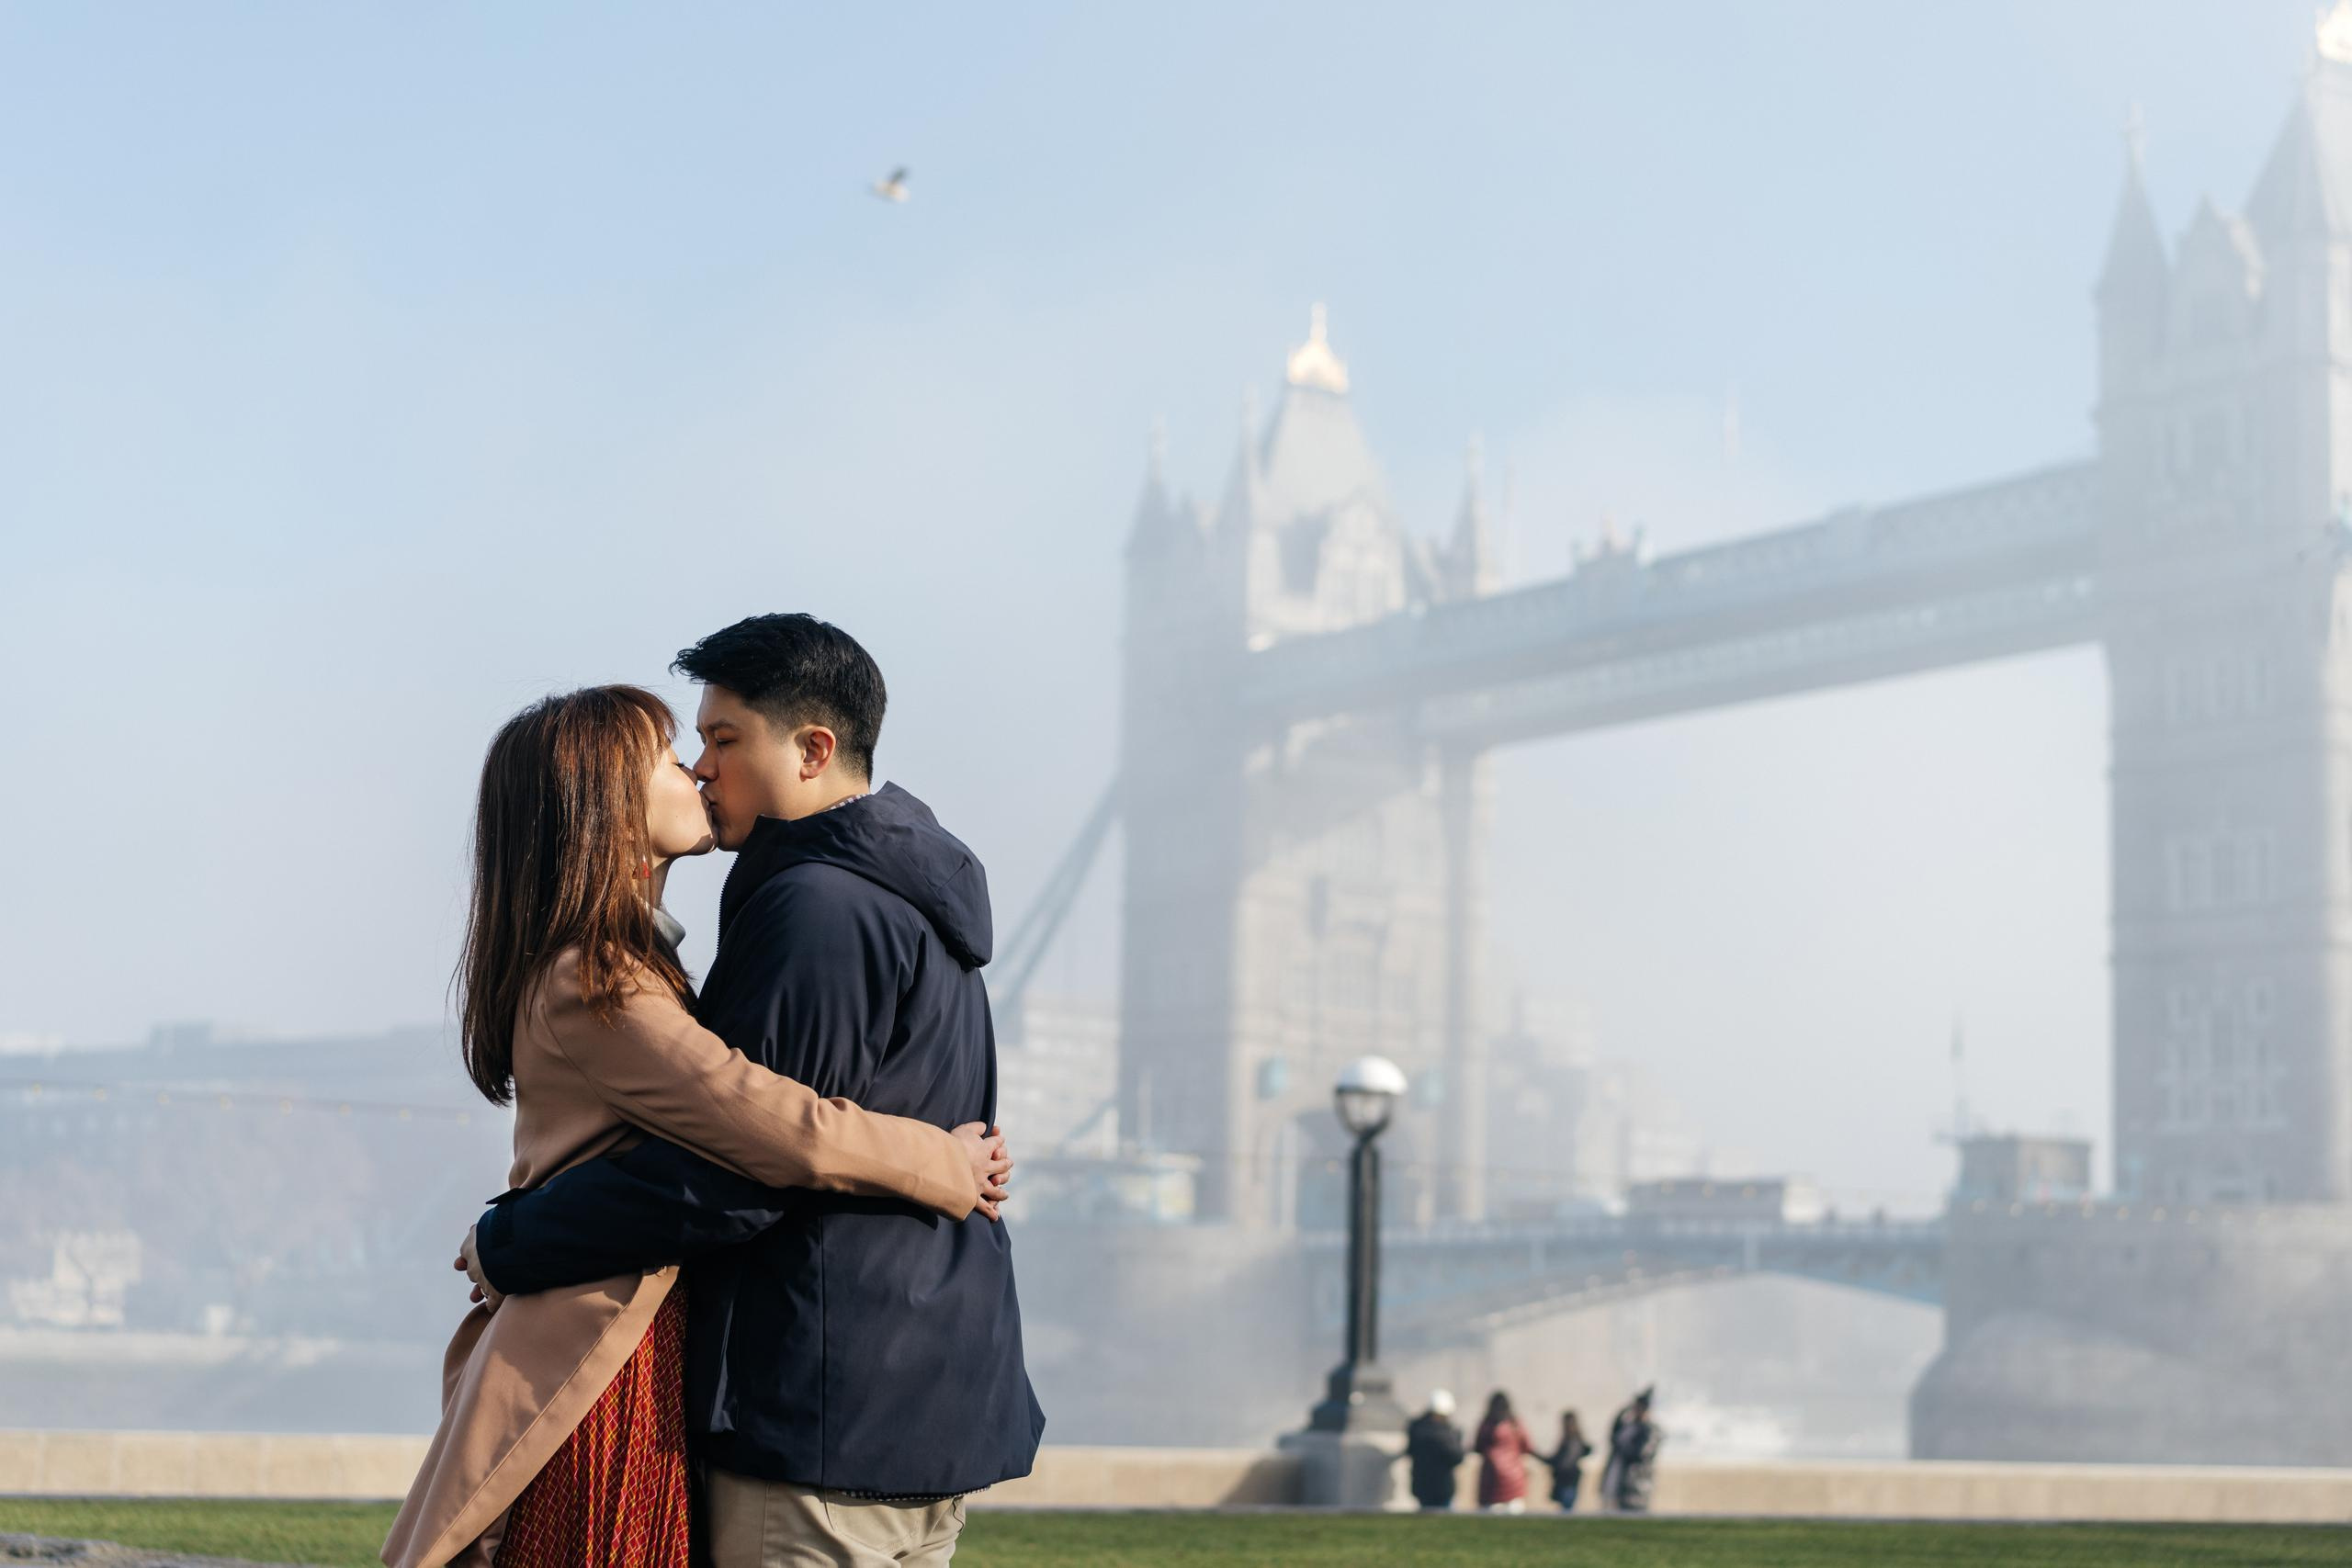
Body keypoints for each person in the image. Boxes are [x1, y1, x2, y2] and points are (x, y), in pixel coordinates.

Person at [461, 615, 1045, 1568]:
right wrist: (943, 1160)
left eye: (722, 739)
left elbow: (743, 1168)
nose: (700, 767)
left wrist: (512, 1237)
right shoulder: (910, 893)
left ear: (812, 750)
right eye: (689, 745)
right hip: (919, 1391)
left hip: (820, 1404)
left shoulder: (814, 907)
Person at [1401, 1389, 1467, 1511]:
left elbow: (1410, 1451)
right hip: (1441, 1486)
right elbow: (1457, 1456)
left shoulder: (1417, 1428)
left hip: (1421, 1484)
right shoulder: (1444, 1433)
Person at [1472, 1390, 1532, 1513]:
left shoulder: (1486, 1425)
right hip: (1514, 1480)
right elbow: (1527, 1446)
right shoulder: (1515, 1424)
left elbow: (1478, 1447)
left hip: (1492, 1480)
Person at [1609, 1387, 1664, 1514]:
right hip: (1621, 1483)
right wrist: (1624, 1409)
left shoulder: (1650, 1431)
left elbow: (1641, 1454)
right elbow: (1613, 1434)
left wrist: (1624, 1448)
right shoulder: (1628, 1428)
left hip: (1638, 1485)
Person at [1541, 1408, 1591, 1513]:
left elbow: (1565, 1463)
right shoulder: (1569, 1440)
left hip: (1569, 1481)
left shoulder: (1574, 1442)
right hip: (1566, 1481)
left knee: (1566, 1511)